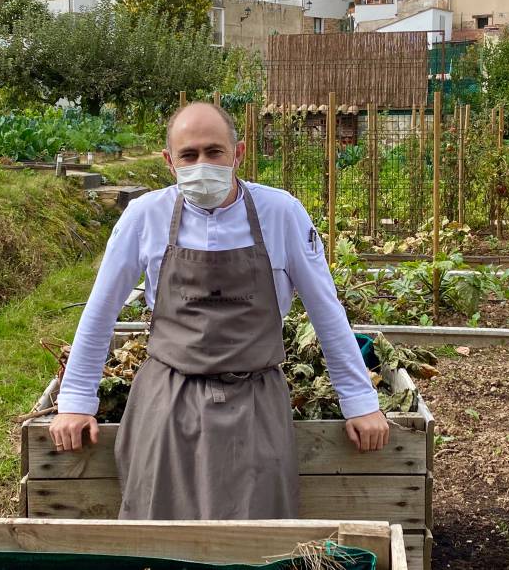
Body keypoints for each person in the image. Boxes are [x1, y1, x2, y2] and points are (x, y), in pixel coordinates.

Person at [50, 102, 389, 520]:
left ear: (239, 154)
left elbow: (327, 311)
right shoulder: (145, 216)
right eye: (188, 155)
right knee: (159, 534)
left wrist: (359, 402)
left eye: (214, 152)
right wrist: (77, 401)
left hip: (255, 404)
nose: (202, 165)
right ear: (169, 162)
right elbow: (100, 311)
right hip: (165, 403)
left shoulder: (280, 213)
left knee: (257, 537)